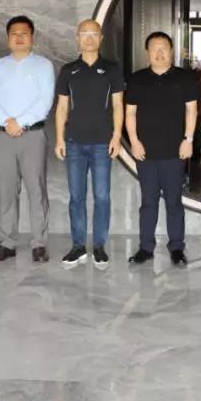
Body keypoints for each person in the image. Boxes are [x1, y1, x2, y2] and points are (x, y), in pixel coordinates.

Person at [0, 15, 56, 264]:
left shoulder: (43, 66)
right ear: (7, 38)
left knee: (36, 190)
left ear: (32, 37)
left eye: (24, 33)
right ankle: (7, 243)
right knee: (6, 190)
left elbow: (45, 101)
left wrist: (20, 122)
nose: (19, 37)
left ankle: (39, 244)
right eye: (14, 33)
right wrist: (7, 122)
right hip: (3, 135)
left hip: (32, 135)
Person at [55, 19, 126, 270]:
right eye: (83, 33)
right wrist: (59, 138)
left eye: (93, 33)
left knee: (102, 196)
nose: (88, 38)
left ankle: (99, 247)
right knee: (76, 197)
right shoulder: (68, 70)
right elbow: (62, 106)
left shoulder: (112, 69)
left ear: (101, 38)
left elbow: (118, 105)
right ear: (77, 38)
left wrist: (116, 136)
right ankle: (78, 246)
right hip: (74, 142)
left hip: (102, 143)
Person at [125, 31, 197, 267]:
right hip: (145, 151)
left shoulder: (184, 78)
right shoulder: (137, 79)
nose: (159, 52)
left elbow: (192, 109)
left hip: (175, 151)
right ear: (147, 52)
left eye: (163, 47)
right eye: (154, 48)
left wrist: (188, 139)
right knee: (148, 202)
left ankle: (176, 247)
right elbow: (130, 113)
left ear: (171, 50)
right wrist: (134, 141)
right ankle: (145, 248)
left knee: (174, 202)